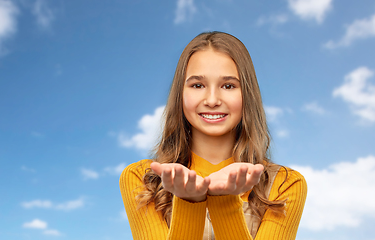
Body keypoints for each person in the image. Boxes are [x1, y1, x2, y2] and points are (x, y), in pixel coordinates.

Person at [120, 31, 307, 240]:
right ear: (180, 94)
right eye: (197, 85)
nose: (212, 100)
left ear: (247, 94)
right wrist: (189, 203)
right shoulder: (143, 179)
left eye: (228, 86)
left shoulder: (286, 184)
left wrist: (224, 200)